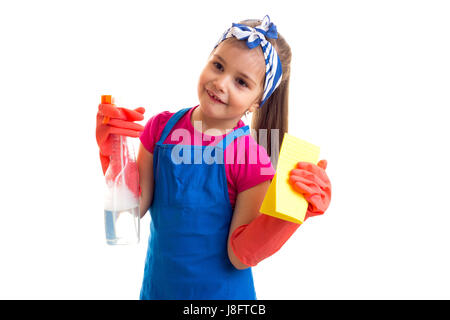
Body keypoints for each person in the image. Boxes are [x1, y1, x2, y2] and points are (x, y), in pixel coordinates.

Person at [96, 15, 332, 300]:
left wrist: (293, 213)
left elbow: (240, 254)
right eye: (218, 65)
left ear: (258, 101)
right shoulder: (160, 129)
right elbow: (134, 207)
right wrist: (114, 149)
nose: (221, 83)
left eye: (241, 82)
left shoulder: (252, 158)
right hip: (158, 291)